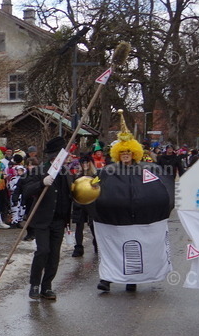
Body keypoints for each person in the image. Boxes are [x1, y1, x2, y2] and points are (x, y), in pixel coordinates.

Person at [93, 113, 175, 293]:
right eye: (122, 152)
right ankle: (106, 279)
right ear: (117, 154)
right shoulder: (108, 171)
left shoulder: (147, 169)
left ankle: (132, 281)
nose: (125, 155)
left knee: (136, 251)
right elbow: (95, 189)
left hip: (139, 218)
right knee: (111, 250)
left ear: (134, 152)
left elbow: (161, 188)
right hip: (113, 219)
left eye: (128, 152)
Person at [20, 136, 73, 300]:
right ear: (55, 156)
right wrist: (42, 182)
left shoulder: (66, 172)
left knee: (54, 255)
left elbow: (71, 192)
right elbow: (27, 190)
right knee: (43, 251)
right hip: (42, 219)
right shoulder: (39, 171)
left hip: (59, 220)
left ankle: (47, 286)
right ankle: (35, 285)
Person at [71, 154, 98, 257]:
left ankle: (97, 243)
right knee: (79, 225)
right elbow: (73, 188)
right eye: (83, 163)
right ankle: (78, 247)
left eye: (87, 163)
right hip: (79, 204)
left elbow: (98, 188)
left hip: (92, 204)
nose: (85, 165)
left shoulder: (96, 176)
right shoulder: (78, 176)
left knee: (93, 225)